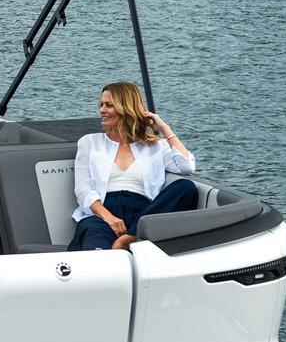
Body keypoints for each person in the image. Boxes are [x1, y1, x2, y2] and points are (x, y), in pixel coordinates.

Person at [70, 80, 198, 251]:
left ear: (126, 108)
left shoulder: (156, 146)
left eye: (109, 105)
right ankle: (125, 244)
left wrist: (164, 127)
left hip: (145, 215)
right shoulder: (90, 142)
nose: (102, 110)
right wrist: (109, 218)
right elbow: (83, 189)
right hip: (103, 213)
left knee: (186, 187)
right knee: (96, 247)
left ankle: (129, 238)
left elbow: (187, 166)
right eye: (101, 104)